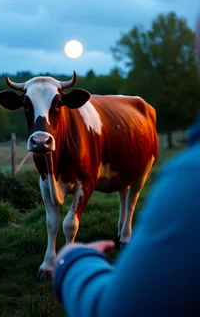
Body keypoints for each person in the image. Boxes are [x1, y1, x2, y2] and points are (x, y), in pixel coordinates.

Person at [52, 16, 200, 316]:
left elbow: (120, 309)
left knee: (131, 196)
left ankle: (126, 226)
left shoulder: (190, 180)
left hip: (87, 277)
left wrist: (75, 263)